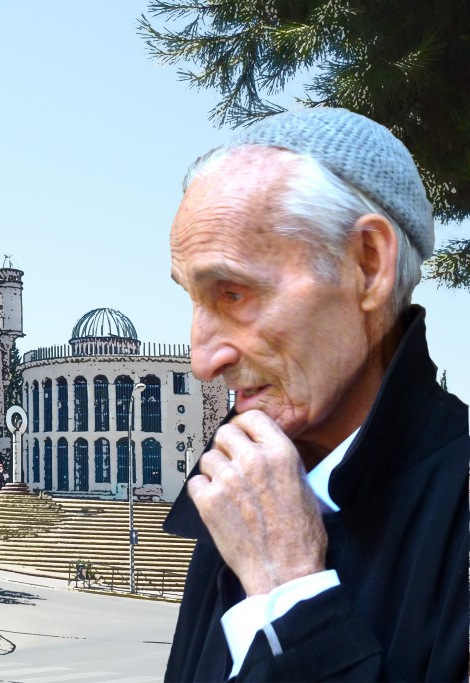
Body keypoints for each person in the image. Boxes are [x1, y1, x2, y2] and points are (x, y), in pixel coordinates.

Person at [163, 108, 468, 682]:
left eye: (232, 293)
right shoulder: (240, 488)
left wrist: (290, 593)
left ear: (368, 265)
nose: (204, 361)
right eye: (193, 300)